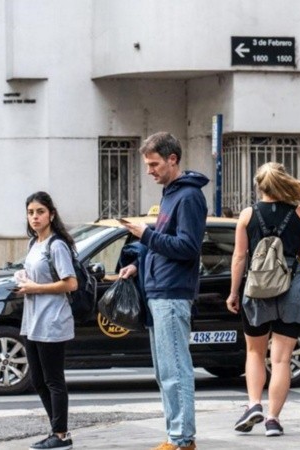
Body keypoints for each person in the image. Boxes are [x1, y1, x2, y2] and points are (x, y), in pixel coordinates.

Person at [118, 132, 208, 450]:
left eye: (154, 164)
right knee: (164, 370)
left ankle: (182, 438)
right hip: (158, 289)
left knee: (175, 369)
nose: (149, 170)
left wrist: (146, 235)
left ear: (173, 159)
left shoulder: (188, 197)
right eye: (147, 164)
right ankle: (177, 435)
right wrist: (138, 263)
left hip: (172, 291)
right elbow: (166, 242)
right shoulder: (171, 194)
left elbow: (187, 247)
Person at [226, 162, 300, 437]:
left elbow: (239, 257)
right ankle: (273, 420)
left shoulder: (247, 215)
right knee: (281, 359)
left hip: (257, 289)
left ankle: (254, 403)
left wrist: (233, 292)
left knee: (255, 352)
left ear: (260, 186)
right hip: (293, 286)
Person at [16, 191, 77, 450]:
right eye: (30, 213)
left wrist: (34, 288)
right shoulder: (34, 244)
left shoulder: (57, 245)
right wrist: (22, 278)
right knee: (38, 380)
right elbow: (35, 277)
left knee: (54, 380)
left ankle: (61, 435)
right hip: (32, 321)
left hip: (52, 320)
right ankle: (55, 430)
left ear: (51, 214)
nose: (35, 217)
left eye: (40, 212)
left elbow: (70, 283)